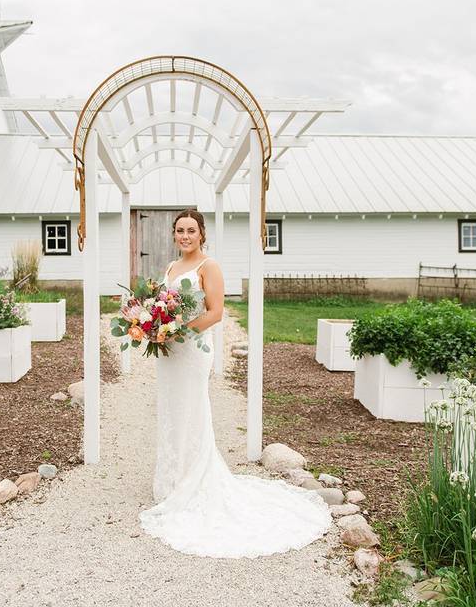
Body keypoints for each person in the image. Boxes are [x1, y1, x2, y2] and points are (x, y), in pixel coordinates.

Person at [138, 209, 331, 558]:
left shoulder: (208, 267)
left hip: (193, 349)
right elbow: (161, 305)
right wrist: (155, 326)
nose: (185, 236)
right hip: (169, 353)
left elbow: (215, 312)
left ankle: (192, 480)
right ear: (174, 234)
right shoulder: (169, 268)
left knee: (193, 411)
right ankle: (170, 480)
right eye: (179, 231)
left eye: (191, 231)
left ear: (202, 234)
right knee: (170, 410)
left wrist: (177, 329)